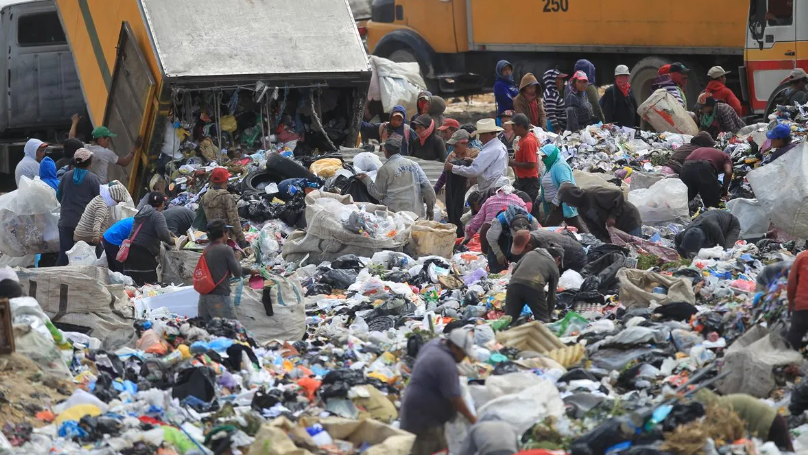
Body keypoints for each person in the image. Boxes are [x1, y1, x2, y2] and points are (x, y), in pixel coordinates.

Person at [400, 326, 477, 455]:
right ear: (454, 347)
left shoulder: (433, 345)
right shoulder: (445, 363)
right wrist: (473, 420)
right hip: (425, 419)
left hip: (412, 408)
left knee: (435, 449)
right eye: (463, 353)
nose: (464, 357)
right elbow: (455, 399)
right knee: (432, 450)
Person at [359, 137, 436, 219]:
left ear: (386, 151)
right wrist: (430, 209)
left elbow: (378, 195)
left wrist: (367, 180)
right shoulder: (414, 164)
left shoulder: (384, 169)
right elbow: (428, 188)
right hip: (416, 215)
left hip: (395, 216)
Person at [695, 389, 793, 451]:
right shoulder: (724, 401)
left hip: (770, 423)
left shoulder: (720, 409)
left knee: (783, 451)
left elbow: (728, 431)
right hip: (773, 419)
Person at [196, 219, 251, 322]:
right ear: (223, 233)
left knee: (208, 332)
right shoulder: (226, 249)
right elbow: (237, 273)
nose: (228, 235)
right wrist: (236, 257)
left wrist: (249, 271)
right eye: (227, 232)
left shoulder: (207, 249)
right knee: (230, 331)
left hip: (204, 299)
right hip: (219, 299)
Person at [56, 149, 101, 266]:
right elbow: (100, 201)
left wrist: (67, 206)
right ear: (89, 163)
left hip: (66, 222)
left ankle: (59, 281)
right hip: (84, 226)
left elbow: (58, 195)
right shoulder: (93, 179)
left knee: (65, 257)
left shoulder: (66, 176)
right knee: (87, 258)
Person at [557, 183, 642, 243]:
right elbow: (593, 229)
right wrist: (605, 239)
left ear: (572, 196)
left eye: (567, 201)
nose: (568, 204)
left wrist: (612, 216)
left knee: (637, 247)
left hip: (628, 219)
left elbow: (618, 195)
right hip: (616, 229)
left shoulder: (592, 194)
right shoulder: (581, 209)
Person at [446, 119, 509, 199]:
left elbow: (474, 171)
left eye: (481, 135)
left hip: (491, 188)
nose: (480, 139)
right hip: (497, 186)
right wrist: (474, 161)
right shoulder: (500, 146)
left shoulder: (489, 150)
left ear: (486, 135)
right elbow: (490, 165)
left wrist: (453, 168)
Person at [122, 192, 174, 286]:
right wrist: (173, 241)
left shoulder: (142, 211)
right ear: (162, 204)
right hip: (144, 254)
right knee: (149, 285)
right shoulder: (158, 215)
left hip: (131, 251)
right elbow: (163, 235)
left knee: (133, 284)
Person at [434, 129, 479, 236]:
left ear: (465, 143)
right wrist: (435, 189)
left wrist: (458, 166)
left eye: (456, 146)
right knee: (456, 217)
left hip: (472, 194)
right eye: (453, 146)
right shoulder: (452, 156)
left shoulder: (475, 155)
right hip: (456, 195)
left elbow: (476, 172)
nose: (454, 149)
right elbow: (445, 174)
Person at [504, 245, 562, 324]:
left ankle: (502, 334)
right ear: (558, 258)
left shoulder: (530, 253)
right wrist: (547, 315)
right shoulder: (554, 267)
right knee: (542, 321)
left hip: (514, 285)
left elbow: (514, 271)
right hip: (534, 287)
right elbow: (551, 296)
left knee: (509, 318)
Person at [462, 185, 528, 246]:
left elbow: (476, 223)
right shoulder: (518, 200)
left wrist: (467, 239)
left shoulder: (489, 201)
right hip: (512, 234)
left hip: (491, 236)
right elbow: (526, 217)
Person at [539, 145, 585, 231]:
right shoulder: (551, 166)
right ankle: (590, 240)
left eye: (544, 157)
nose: (543, 159)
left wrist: (556, 201)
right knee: (576, 226)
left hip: (560, 205)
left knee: (548, 229)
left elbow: (566, 184)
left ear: (551, 156)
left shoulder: (560, 166)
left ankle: (591, 241)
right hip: (557, 205)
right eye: (542, 157)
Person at [73, 181, 133, 248]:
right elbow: (97, 222)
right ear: (113, 197)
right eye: (117, 201)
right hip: (87, 237)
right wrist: (96, 238)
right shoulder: (102, 205)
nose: (117, 204)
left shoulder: (99, 198)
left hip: (81, 234)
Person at [201, 167, 248, 249]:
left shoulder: (205, 196)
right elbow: (234, 220)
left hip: (213, 237)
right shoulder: (226, 197)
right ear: (226, 180)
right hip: (226, 237)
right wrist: (241, 238)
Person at [485, 204, 540, 273]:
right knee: (497, 269)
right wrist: (498, 253)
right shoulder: (499, 221)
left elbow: (535, 237)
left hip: (520, 244)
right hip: (501, 241)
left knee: (519, 268)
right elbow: (491, 238)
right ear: (511, 227)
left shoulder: (532, 221)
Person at [512, 229, 587, 272]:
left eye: (522, 251)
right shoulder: (530, 237)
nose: (522, 253)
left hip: (575, 257)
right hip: (563, 256)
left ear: (529, 246)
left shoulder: (547, 246)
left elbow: (552, 268)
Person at [674, 210, 741, 257]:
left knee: (725, 253)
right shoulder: (687, 232)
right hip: (712, 223)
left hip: (731, 225)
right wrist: (683, 257)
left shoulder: (713, 228)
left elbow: (721, 247)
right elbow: (677, 240)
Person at [508, 113, 540, 201]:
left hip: (529, 181)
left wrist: (513, 163)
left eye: (514, 126)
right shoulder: (523, 138)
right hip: (522, 179)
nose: (513, 129)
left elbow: (531, 164)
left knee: (528, 206)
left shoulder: (528, 141)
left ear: (521, 126)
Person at [787, 249, 808, 349]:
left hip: (802, 306)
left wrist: (791, 303)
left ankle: (789, 362)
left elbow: (791, 283)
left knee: (795, 335)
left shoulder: (803, 257)